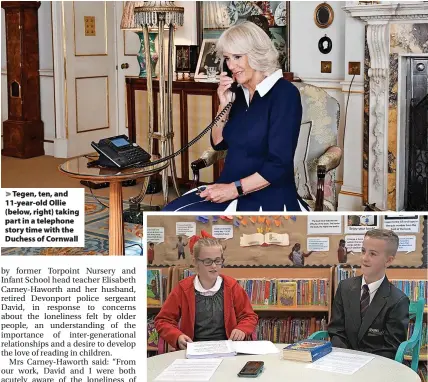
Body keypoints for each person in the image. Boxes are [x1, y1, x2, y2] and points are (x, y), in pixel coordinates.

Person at [163, 21, 309, 212]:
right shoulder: (239, 94)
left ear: (257, 54)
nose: (231, 65)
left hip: (266, 193)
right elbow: (218, 143)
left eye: (237, 57)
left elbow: (278, 165)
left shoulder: (284, 94)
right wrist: (224, 104)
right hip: (228, 186)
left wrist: (233, 190)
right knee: (169, 216)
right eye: (227, 58)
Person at [155, 238, 258, 350]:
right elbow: (163, 320)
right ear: (195, 262)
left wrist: (242, 329)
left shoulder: (232, 286)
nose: (214, 266)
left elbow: (249, 316)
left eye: (218, 260)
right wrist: (177, 336)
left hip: (227, 348)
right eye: (208, 261)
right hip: (194, 349)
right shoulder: (183, 288)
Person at [328, 229, 409, 359]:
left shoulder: (398, 301)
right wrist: (345, 358)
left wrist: (360, 362)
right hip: (343, 362)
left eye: (373, 254)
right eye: (363, 251)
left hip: (376, 368)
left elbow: (391, 348)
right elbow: (336, 331)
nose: (364, 258)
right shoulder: (344, 287)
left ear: (388, 261)